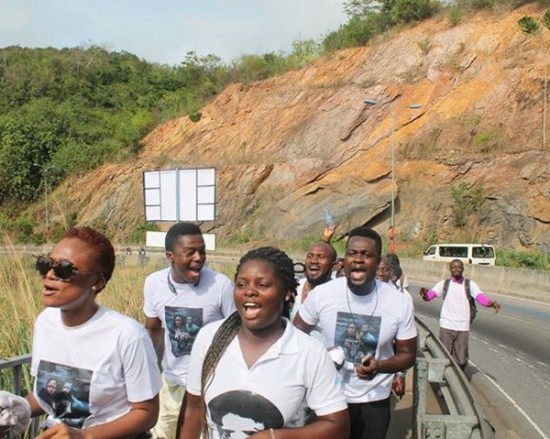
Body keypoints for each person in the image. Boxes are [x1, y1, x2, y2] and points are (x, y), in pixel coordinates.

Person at [178, 246, 350, 439]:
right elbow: (193, 409)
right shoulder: (209, 337)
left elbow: (338, 427)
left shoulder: (309, 352)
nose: (250, 291)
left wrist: (275, 437)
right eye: (241, 284)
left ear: (286, 292)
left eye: (263, 285)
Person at [27, 226, 162, 438]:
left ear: (97, 282)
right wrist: (18, 409)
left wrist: (83, 435)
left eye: (64, 269)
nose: (50, 275)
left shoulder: (128, 335)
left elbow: (147, 412)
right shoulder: (45, 322)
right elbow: (46, 396)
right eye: (45, 265)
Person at [293, 226, 417, 439]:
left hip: (374, 401)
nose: (358, 259)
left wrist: (380, 367)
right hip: (327, 398)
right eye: (352, 253)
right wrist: (320, 359)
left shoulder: (399, 302)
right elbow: (295, 334)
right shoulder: (322, 295)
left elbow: (408, 355)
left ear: (377, 262)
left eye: (366, 255)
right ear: (344, 260)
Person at [144, 222, 235, 439]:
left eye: (202, 251)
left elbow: (236, 333)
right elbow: (153, 330)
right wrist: (149, 375)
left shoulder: (221, 285)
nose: (199, 258)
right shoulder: (153, 284)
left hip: (208, 387)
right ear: (170, 256)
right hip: (171, 385)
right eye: (190, 252)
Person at [419, 259, 501, 370]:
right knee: (443, 356)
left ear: (463, 269)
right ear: (450, 269)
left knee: (462, 360)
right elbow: (430, 296)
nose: (456, 269)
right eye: (454, 267)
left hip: (462, 327)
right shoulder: (444, 284)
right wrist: (424, 294)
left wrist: (491, 303)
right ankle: (444, 379)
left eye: (459, 267)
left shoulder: (470, 284)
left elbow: (480, 298)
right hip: (446, 325)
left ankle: (458, 377)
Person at [289, 240, 337, 329]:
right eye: (310, 256)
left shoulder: (338, 292)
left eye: (321, 257)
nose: (314, 261)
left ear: (334, 265)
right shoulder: (295, 287)